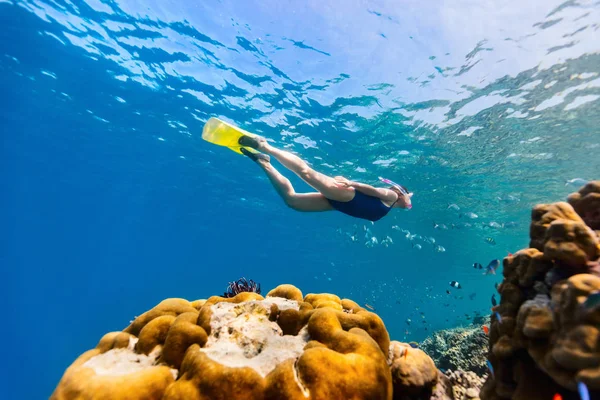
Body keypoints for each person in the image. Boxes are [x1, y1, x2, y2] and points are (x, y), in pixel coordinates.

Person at [238, 135, 413, 221]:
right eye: (408, 200)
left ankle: (264, 163)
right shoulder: (392, 196)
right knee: (306, 172)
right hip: (346, 195)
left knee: (292, 201)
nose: (409, 205)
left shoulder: (390, 206)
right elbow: (374, 190)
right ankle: (265, 146)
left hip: (338, 205)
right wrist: (352, 183)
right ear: (401, 194)